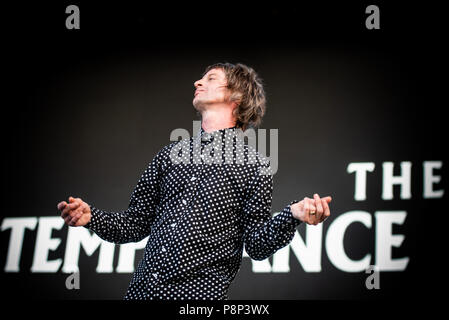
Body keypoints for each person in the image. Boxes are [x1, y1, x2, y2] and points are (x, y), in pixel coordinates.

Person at [57, 62, 332, 300]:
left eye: (211, 78)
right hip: (141, 291)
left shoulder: (255, 165)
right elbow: (134, 225)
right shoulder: (168, 155)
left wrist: (292, 214)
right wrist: (91, 218)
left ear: (235, 95)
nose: (198, 82)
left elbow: (257, 245)